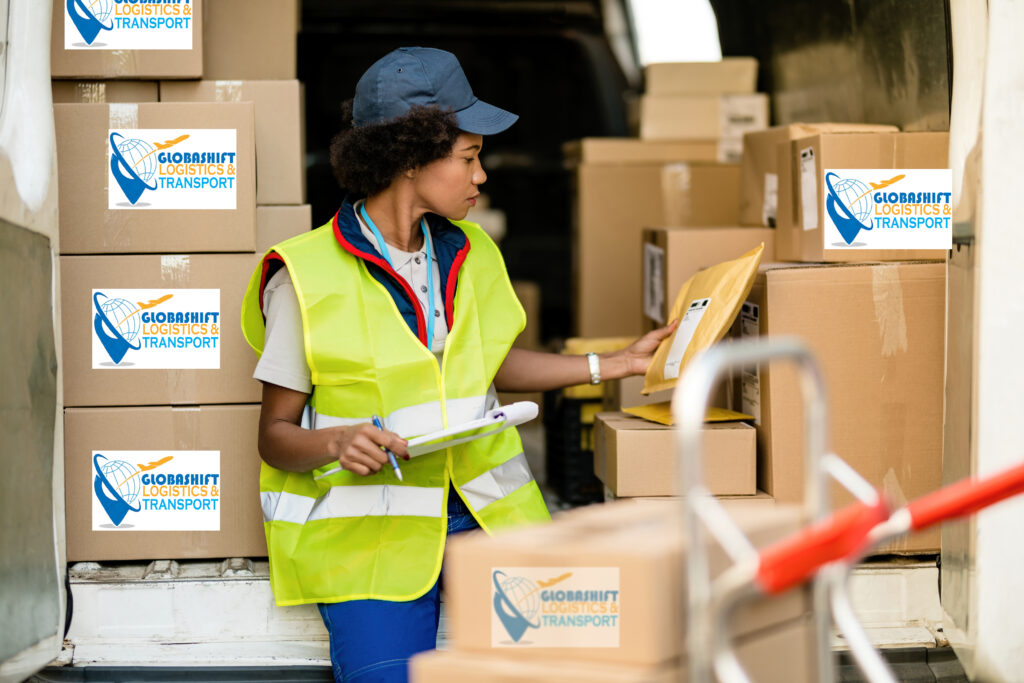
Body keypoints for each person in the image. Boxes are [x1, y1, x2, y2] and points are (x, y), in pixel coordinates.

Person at [240, 46, 679, 683]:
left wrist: (612, 365)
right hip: (372, 543)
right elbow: (275, 436)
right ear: (409, 158)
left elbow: (489, 366)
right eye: (469, 157)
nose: (481, 176)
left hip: (485, 517)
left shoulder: (473, 251)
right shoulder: (303, 277)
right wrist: (337, 441)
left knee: (578, 666)